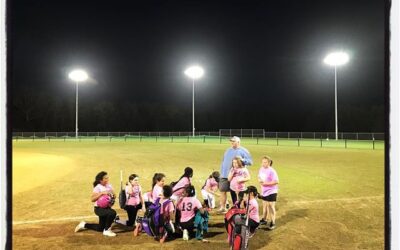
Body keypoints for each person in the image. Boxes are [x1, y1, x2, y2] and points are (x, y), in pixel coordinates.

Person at [74, 171, 117, 237]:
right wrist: (101, 193)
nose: (107, 179)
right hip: (99, 209)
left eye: (107, 178)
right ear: (101, 180)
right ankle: (107, 230)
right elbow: (92, 199)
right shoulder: (97, 187)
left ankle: (84, 224)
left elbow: (114, 195)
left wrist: (113, 196)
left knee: (100, 228)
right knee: (112, 213)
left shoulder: (109, 185)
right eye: (105, 178)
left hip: (107, 208)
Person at [218, 136, 253, 214]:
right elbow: (223, 161)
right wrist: (222, 171)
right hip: (225, 174)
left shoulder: (243, 151)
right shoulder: (228, 150)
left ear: (238, 142)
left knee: (235, 192)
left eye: (234, 141)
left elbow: (250, 162)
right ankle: (223, 207)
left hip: (236, 176)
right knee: (222, 191)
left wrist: (241, 160)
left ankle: (238, 208)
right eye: (231, 141)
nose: (232, 143)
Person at [258, 156, 279, 230]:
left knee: (270, 206)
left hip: (272, 191)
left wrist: (265, 184)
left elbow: (276, 181)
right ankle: (264, 219)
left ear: (269, 163)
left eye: (265, 162)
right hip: (264, 191)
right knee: (264, 206)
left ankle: (272, 222)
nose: (263, 164)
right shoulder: (261, 169)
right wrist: (260, 180)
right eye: (262, 162)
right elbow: (259, 177)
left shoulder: (272, 171)